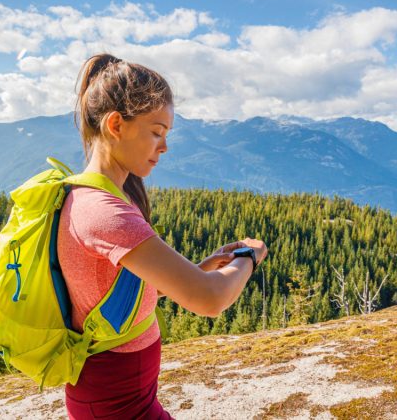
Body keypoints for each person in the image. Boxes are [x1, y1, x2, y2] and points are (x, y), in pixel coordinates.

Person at [58, 53, 268, 419]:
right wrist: (249, 258)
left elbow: (112, 293)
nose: (164, 146)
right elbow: (210, 300)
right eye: (156, 132)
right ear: (116, 125)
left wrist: (197, 269)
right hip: (116, 404)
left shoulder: (99, 199)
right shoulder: (106, 212)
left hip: (121, 395)